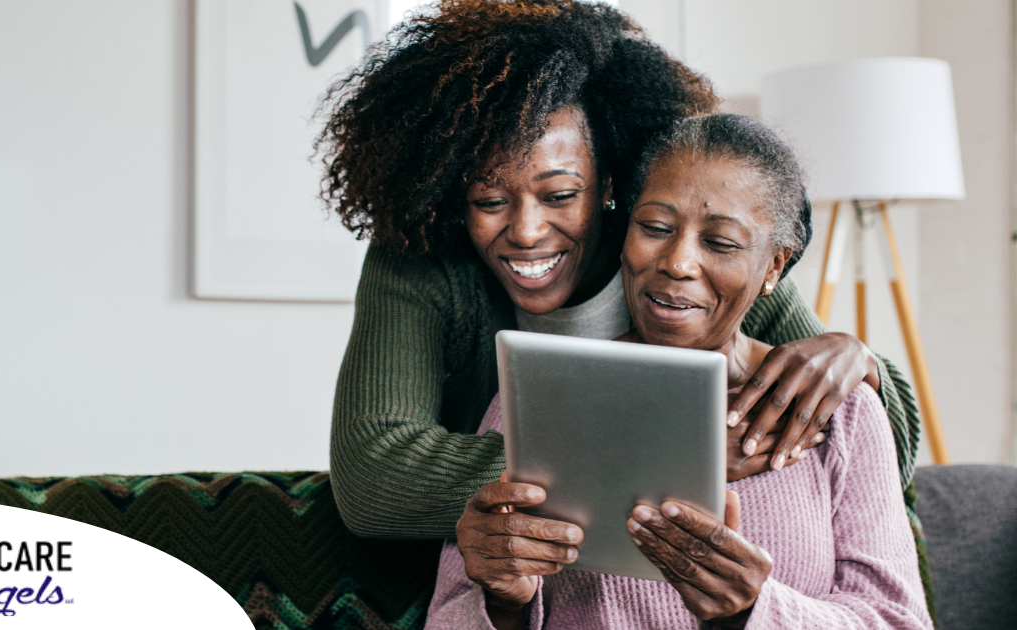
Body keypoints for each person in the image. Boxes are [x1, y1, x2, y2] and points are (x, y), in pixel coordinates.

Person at [319, 0, 921, 544]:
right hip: (501, 571)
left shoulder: (688, 256)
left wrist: (858, 362)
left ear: (610, 185)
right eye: (489, 201)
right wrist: (667, 455)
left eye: (560, 196)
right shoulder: (422, 255)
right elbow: (374, 480)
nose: (526, 231)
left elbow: (883, 452)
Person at [427, 113, 933, 629]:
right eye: (655, 228)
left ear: (774, 267)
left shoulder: (842, 412)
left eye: (720, 243)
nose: (677, 262)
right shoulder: (536, 392)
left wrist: (755, 612)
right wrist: (501, 604)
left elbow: (899, 621)